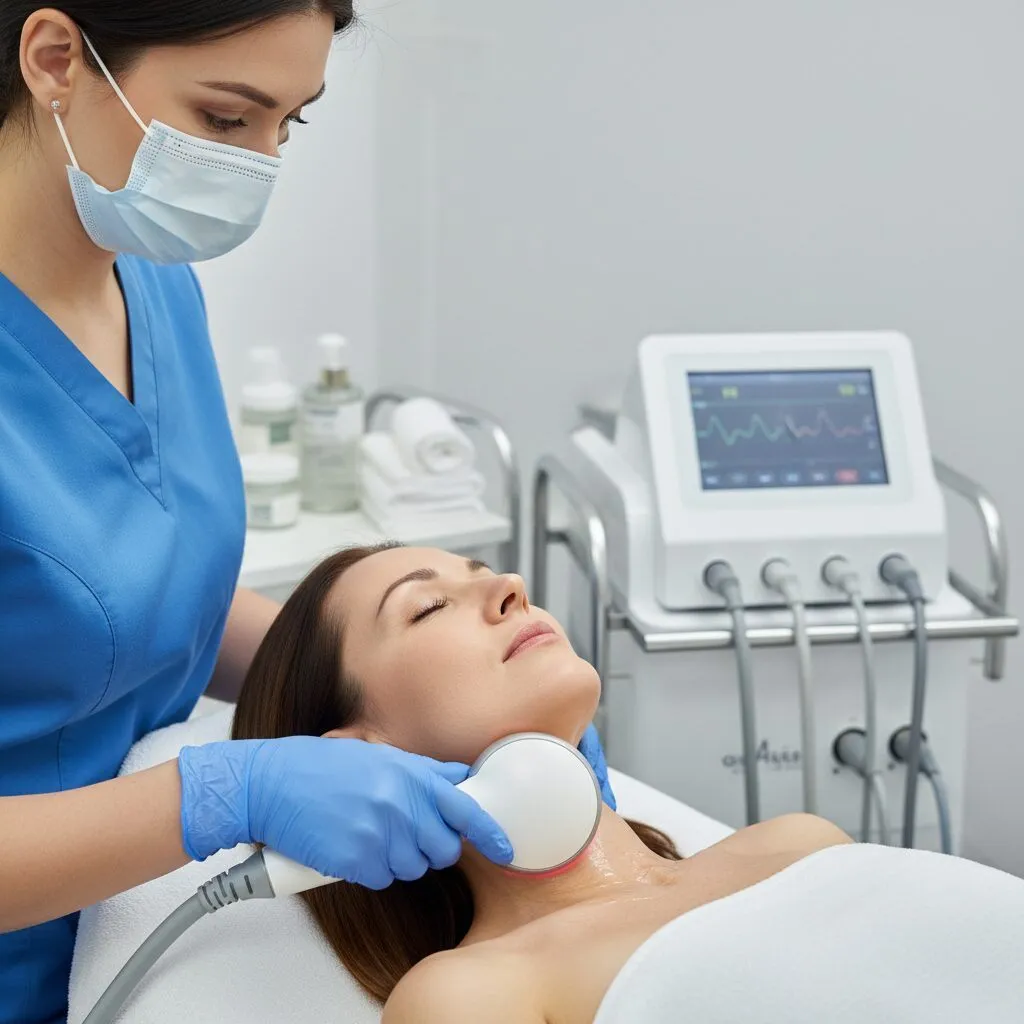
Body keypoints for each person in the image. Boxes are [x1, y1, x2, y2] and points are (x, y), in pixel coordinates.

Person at [0, 7, 614, 1022]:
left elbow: (156, 594)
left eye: (293, 123)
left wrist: (409, 686)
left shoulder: (155, 280)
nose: (261, 164)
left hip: (132, 927)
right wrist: (226, 794)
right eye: (228, 117)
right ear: (57, 59)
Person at [230, 543, 1024, 1023]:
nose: (508, 584)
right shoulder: (472, 993)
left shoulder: (798, 845)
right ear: (355, 755)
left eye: (483, 572)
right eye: (429, 606)